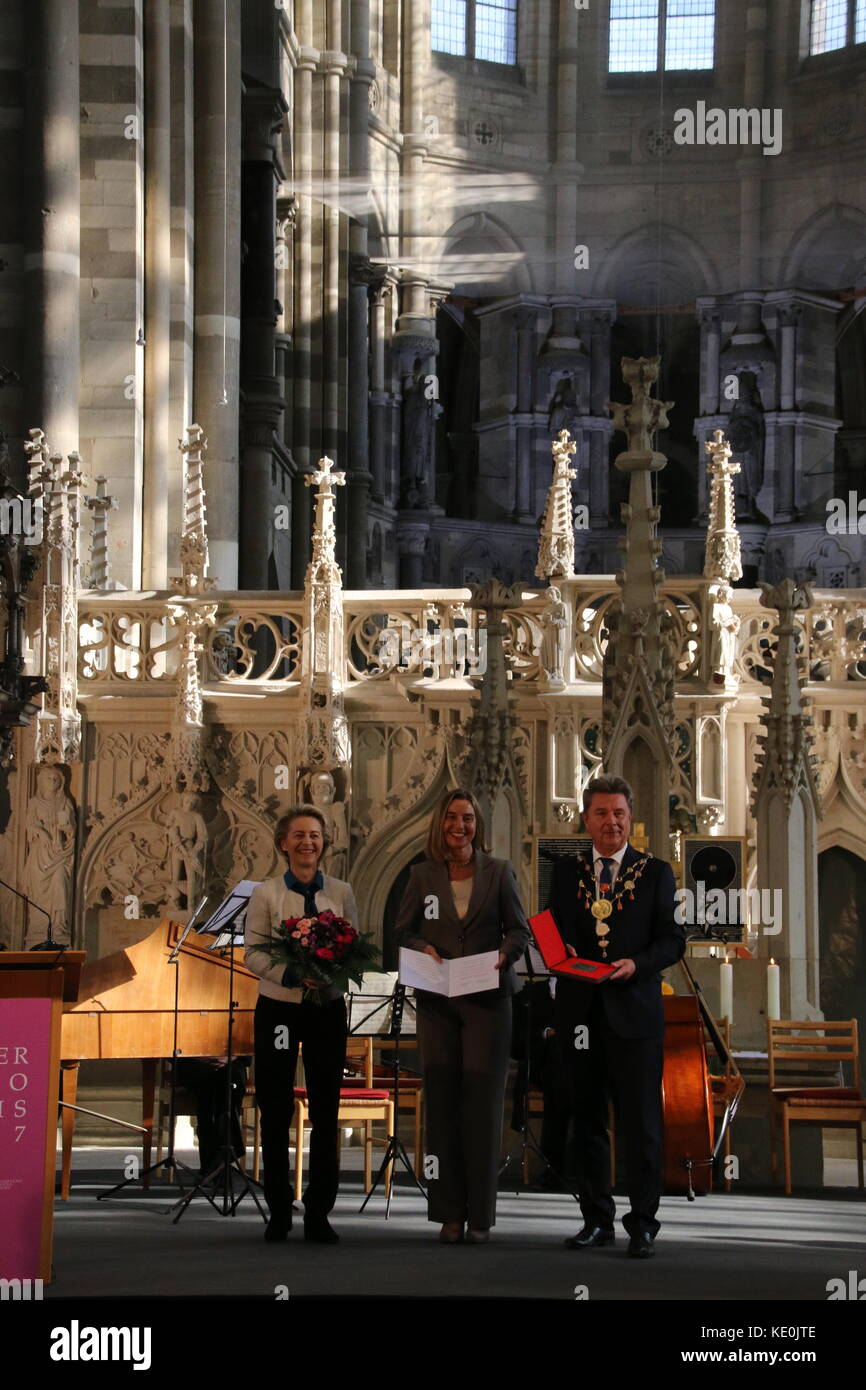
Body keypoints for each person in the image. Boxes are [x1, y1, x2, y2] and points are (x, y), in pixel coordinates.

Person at [547, 775, 685, 1258]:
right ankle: (596, 1220)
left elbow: (672, 940)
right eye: (602, 813)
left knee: (641, 1123)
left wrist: (637, 964)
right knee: (586, 1121)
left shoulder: (656, 872)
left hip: (635, 1013)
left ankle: (643, 1224)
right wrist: (556, 949)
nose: (612, 822)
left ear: (630, 818)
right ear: (587, 819)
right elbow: (550, 927)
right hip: (581, 1013)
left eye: (619, 814)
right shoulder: (566, 872)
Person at [394, 788, 531, 1243]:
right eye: (453, 817)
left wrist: (502, 955)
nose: (460, 825)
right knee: (443, 1105)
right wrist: (423, 948)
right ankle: (449, 1214)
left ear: (478, 825)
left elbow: (520, 930)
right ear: (440, 824)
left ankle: (481, 1219)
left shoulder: (500, 872)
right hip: (438, 1001)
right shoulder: (421, 875)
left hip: (489, 1001)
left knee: (483, 1106)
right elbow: (405, 931)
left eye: (468, 818)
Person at [245, 805, 359, 1244]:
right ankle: (278, 1210)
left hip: (325, 1008)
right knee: (275, 1108)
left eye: (314, 835)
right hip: (280, 1007)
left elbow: (354, 944)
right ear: (283, 843)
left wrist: (332, 971)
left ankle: (319, 1211)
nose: (307, 842)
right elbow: (252, 953)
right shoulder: (266, 894)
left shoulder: (342, 891)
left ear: (324, 842)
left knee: (326, 1108)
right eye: (298, 835)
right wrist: (292, 975)